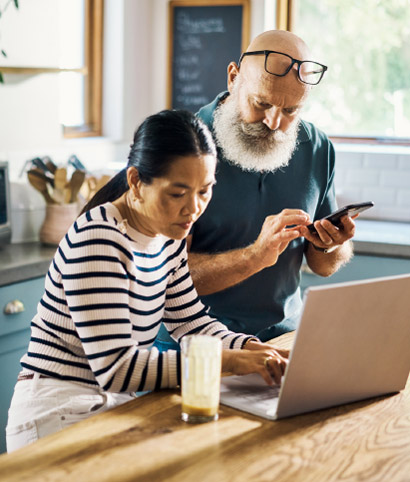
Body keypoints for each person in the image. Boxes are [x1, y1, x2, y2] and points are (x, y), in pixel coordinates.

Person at [6, 110, 289, 453]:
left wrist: (249, 347)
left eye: (205, 190)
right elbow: (117, 368)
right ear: (137, 181)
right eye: (178, 193)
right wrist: (227, 361)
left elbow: (190, 320)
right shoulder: (99, 238)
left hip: (110, 406)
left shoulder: (167, 233)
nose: (194, 209)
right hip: (56, 411)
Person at [156, 30, 356, 348]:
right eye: (262, 103)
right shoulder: (182, 145)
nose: (275, 122)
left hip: (284, 339)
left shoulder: (318, 147)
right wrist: (255, 257)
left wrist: (331, 245)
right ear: (234, 78)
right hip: (196, 344)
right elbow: (162, 278)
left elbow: (323, 266)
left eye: (291, 110)